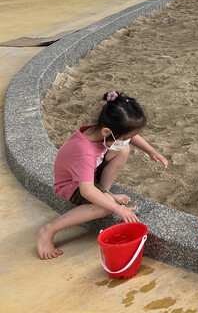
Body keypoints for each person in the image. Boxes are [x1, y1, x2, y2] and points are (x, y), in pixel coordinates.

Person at [36, 91, 167, 260]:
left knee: (123, 149)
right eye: (126, 137)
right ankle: (48, 230)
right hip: (73, 184)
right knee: (105, 207)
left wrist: (151, 151)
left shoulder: (104, 130)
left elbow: (128, 135)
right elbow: (87, 191)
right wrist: (118, 209)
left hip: (90, 172)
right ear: (106, 132)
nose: (129, 139)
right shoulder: (84, 151)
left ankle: (105, 191)